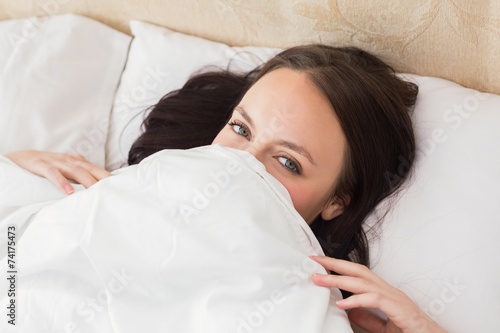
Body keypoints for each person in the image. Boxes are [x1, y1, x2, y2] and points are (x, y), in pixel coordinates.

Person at [6, 45, 446, 333]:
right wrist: (18, 170)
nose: (239, 166)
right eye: (239, 128)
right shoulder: (120, 190)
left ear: (336, 202)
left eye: (288, 162)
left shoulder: (312, 300)